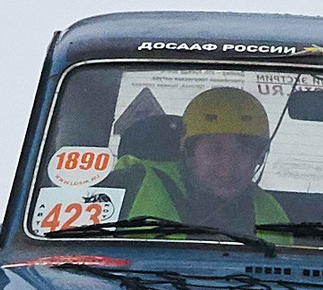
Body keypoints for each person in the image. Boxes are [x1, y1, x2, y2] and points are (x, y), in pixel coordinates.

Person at [112, 86, 291, 237]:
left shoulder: (271, 214)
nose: (228, 166)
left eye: (245, 151)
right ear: (189, 154)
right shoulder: (130, 186)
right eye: (216, 149)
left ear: (259, 159)